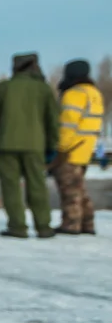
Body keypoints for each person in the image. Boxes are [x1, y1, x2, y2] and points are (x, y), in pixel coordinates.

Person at [0, 53, 59, 239]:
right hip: (35, 146)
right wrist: (52, 146)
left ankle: (17, 226)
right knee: (37, 185)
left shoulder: (2, 88)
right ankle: (43, 226)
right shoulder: (44, 89)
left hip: (5, 144)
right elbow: (52, 121)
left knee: (11, 187)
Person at [53, 60, 105, 235]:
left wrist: (61, 148)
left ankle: (72, 223)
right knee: (80, 188)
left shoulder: (74, 94)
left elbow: (68, 124)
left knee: (69, 189)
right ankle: (87, 222)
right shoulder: (94, 93)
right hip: (85, 148)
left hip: (72, 149)